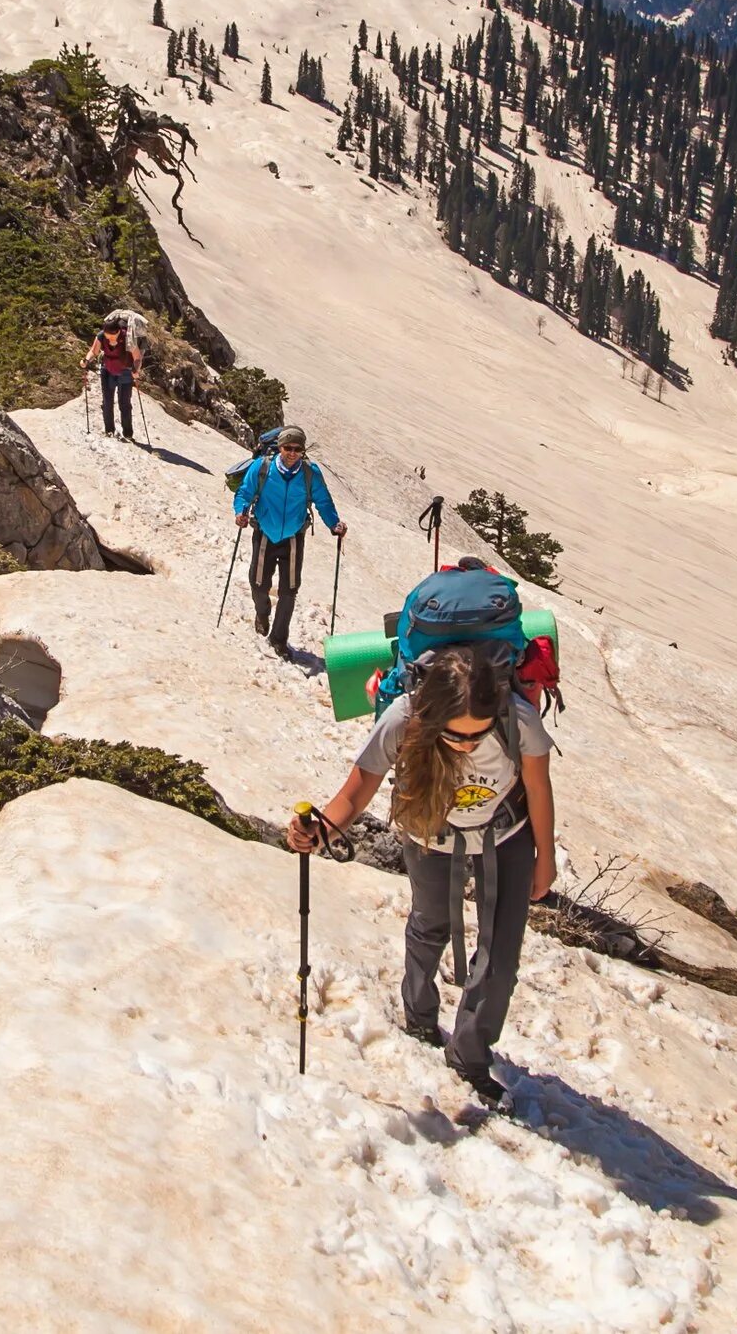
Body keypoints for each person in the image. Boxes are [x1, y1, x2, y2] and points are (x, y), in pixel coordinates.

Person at [286, 644, 556, 1105]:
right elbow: (358, 790)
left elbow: (537, 785)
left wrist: (544, 858)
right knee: (430, 923)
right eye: (454, 737)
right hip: (429, 830)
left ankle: (471, 1055)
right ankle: (419, 1014)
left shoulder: (518, 719)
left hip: (505, 836)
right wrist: (321, 832)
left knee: (501, 954)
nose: (467, 745)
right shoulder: (403, 719)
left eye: (477, 736)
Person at [231, 425, 343, 657]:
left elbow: (323, 502)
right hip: (264, 532)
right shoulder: (262, 468)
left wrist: (334, 524)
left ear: (303, 450)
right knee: (258, 584)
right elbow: (244, 493)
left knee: (289, 590)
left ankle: (278, 640)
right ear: (280, 447)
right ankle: (262, 614)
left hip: (293, 536)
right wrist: (240, 511)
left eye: (297, 449)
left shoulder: (310, 474)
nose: (292, 453)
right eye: (288, 448)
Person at [85, 316, 140, 440]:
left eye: (112, 335)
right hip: (107, 371)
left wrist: (136, 370)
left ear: (119, 331)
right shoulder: (101, 336)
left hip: (125, 372)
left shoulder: (127, 337)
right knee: (107, 402)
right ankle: (109, 431)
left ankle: (128, 433)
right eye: (107, 335)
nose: (109, 338)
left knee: (124, 403)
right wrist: (86, 360)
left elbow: (137, 357)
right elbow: (94, 352)